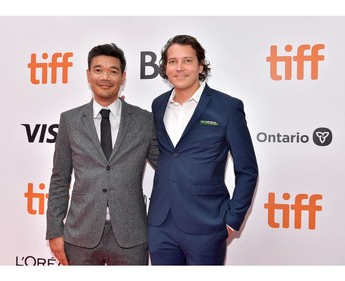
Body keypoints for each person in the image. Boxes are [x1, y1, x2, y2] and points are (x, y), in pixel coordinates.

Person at [147, 35, 259, 265]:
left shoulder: (227, 107)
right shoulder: (158, 105)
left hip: (207, 224)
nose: (179, 68)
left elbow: (247, 170)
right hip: (160, 224)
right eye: (172, 62)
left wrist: (232, 220)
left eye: (187, 61)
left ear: (200, 66)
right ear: (165, 68)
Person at [46, 43, 159, 265]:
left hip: (131, 236)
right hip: (80, 235)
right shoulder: (70, 120)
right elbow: (60, 179)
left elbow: (169, 167)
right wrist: (54, 231)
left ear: (123, 77)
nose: (105, 76)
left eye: (113, 71)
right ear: (88, 75)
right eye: (98, 70)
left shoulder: (144, 121)